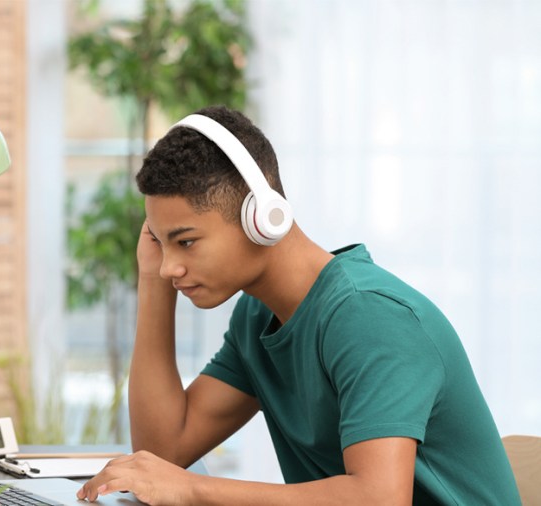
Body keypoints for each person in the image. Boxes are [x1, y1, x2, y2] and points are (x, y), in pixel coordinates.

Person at [76, 105, 520, 505]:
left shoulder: (370, 317)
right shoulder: (258, 316)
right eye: (162, 242)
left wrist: (193, 489)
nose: (172, 265)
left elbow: (379, 498)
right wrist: (153, 281)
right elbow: (163, 451)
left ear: (262, 218)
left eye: (186, 242)